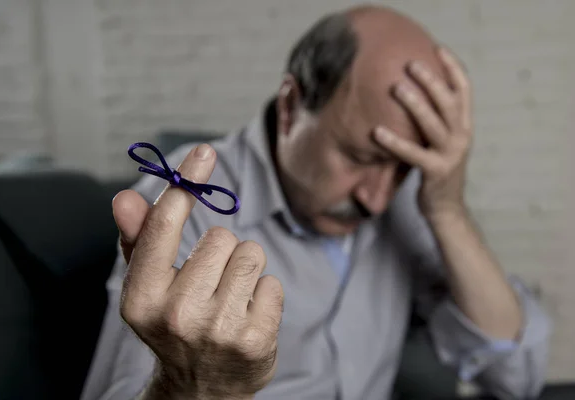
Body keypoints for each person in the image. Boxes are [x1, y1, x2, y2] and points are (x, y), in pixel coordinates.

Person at [81, 5, 551, 400]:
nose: (377, 198)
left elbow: (515, 377)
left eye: (403, 167)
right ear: (290, 105)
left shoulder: (405, 199)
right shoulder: (189, 201)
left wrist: (447, 208)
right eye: (360, 157)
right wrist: (199, 385)